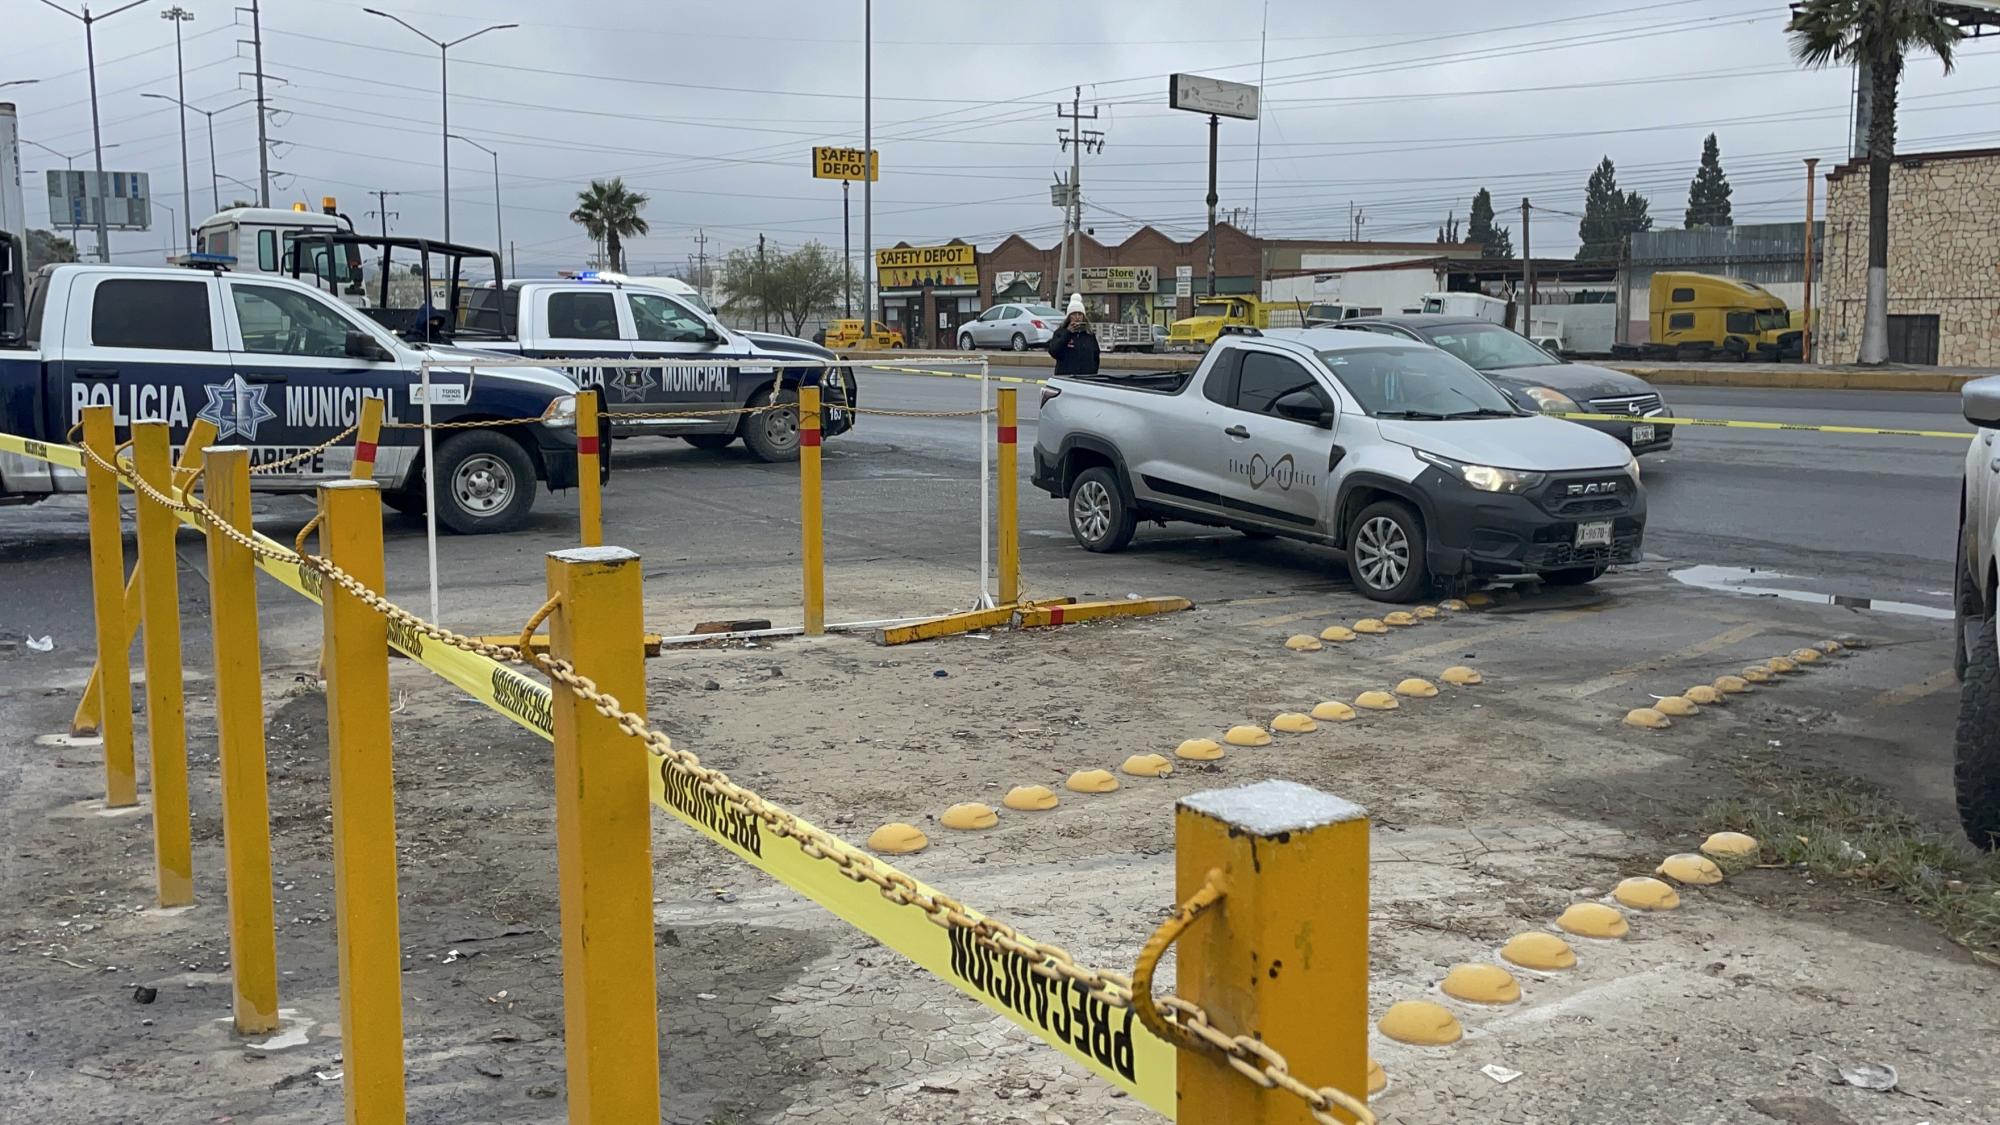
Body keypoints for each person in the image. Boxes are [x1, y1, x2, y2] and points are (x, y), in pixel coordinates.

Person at [1047, 293, 1100, 375]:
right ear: (1069, 316)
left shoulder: (1089, 335)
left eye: (1080, 314)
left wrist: (1092, 373)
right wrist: (1068, 333)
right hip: (1066, 377)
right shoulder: (1061, 332)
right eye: (1074, 314)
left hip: (1085, 378)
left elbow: (1096, 356)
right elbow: (1054, 351)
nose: (1077, 317)